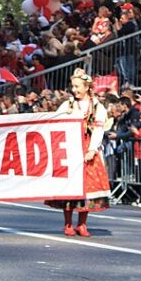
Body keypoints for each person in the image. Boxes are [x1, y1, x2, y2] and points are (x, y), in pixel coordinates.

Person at [45, 68, 109, 236]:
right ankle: (67, 223)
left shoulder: (97, 106)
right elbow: (55, 122)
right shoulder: (68, 104)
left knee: (86, 187)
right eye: (73, 86)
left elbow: (98, 130)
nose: (74, 90)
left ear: (87, 87)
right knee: (69, 185)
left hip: (87, 147)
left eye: (77, 86)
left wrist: (92, 149)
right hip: (70, 147)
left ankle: (82, 223)